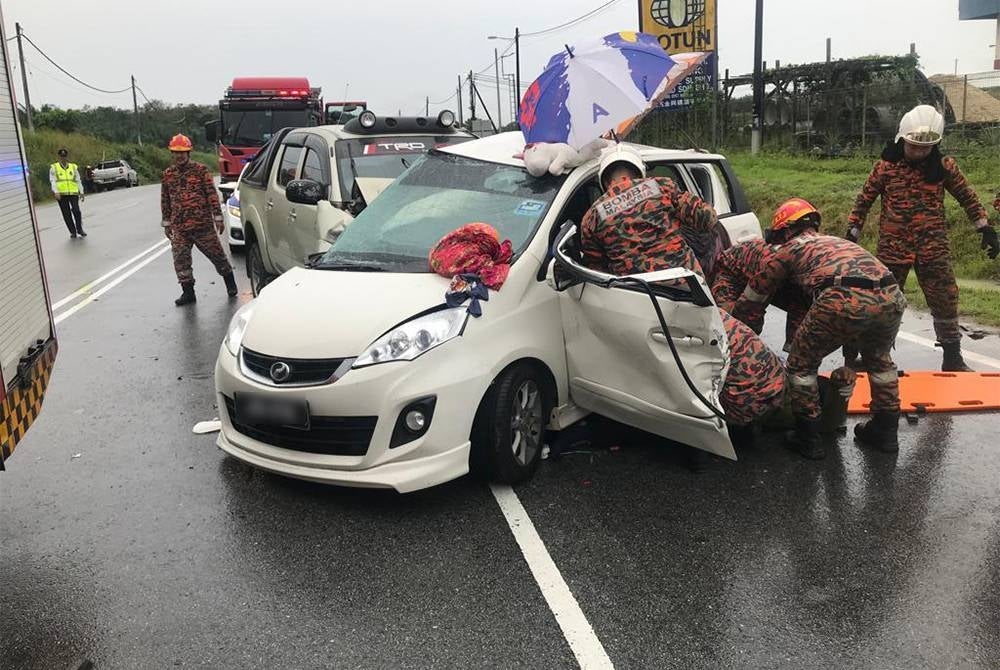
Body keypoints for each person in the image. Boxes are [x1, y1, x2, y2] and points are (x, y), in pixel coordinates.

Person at [581, 144, 786, 431]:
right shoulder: (661, 186)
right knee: (725, 360)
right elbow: (708, 219)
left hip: (639, 306)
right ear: (637, 170)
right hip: (687, 297)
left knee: (675, 368)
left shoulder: (592, 217)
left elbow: (597, 271)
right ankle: (725, 424)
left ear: (605, 179)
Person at [734, 198, 906, 459]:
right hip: (891, 294)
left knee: (801, 366)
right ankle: (885, 431)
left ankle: (808, 437)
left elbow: (753, 298)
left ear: (785, 230)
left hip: (843, 296)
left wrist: (740, 337)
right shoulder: (837, 242)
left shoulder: (788, 249)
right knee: (880, 361)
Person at [846, 105, 998, 371]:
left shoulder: (943, 167)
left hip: (933, 247)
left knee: (945, 298)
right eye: (913, 147)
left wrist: (985, 228)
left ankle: (952, 357)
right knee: (885, 302)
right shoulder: (886, 167)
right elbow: (864, 200)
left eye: (925, 148)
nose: (918, 152)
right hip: (893, 248)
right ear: (902, 139)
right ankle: (875, 356)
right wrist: (853, 232)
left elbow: (968, 197)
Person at [161, 134, 238, 306]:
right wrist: (166, 223)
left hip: (202, 225)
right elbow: (165, 199)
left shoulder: (201, 170)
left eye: (182, 153)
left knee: (218, 256)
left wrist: (218, 217)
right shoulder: (168, 175)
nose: (179, 156)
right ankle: (188, 293)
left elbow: (211, 194)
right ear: (171, 153)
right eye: (175, 153)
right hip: (180, 227)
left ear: (189, 152)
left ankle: (230, 284)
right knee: (180, 260)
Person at [711, 235, 811, 351]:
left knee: (802, 300)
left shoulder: (809, 265)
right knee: (730, 323)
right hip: (731, 270)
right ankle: (730, 353)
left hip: (766, 273)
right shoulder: (772, 268)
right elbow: (751, 307)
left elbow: (802, 306)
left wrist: (796, 350)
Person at [50, 148, 86, 238]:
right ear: (59, 157)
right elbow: (53, 181)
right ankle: (72, 231)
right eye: (62, 156)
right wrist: (56, 192)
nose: (63, 158)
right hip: (61, 194)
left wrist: (81, 191)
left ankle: (79, 229)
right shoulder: (54, 168)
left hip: (73, 193)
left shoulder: (73, 167)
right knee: (66, 214)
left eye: (65, 156)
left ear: (67, 157)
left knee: (76, 211)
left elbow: (78, 179)